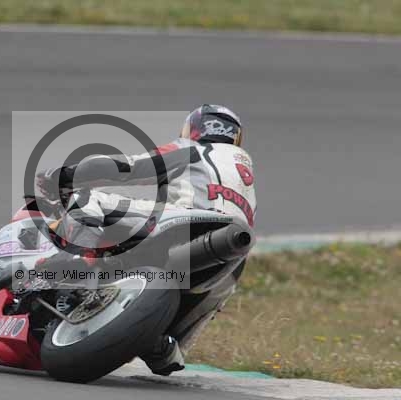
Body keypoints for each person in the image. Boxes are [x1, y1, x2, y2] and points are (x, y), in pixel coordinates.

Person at [36, 104, 257, 376]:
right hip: (234, 256)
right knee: (214, 299)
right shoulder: (245, 173)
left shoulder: (193, 149)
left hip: (188, 221)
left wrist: (64, 176)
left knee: (89, 199)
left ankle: (77, 263)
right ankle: (167, 345)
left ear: (194, 129)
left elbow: (129, 168)